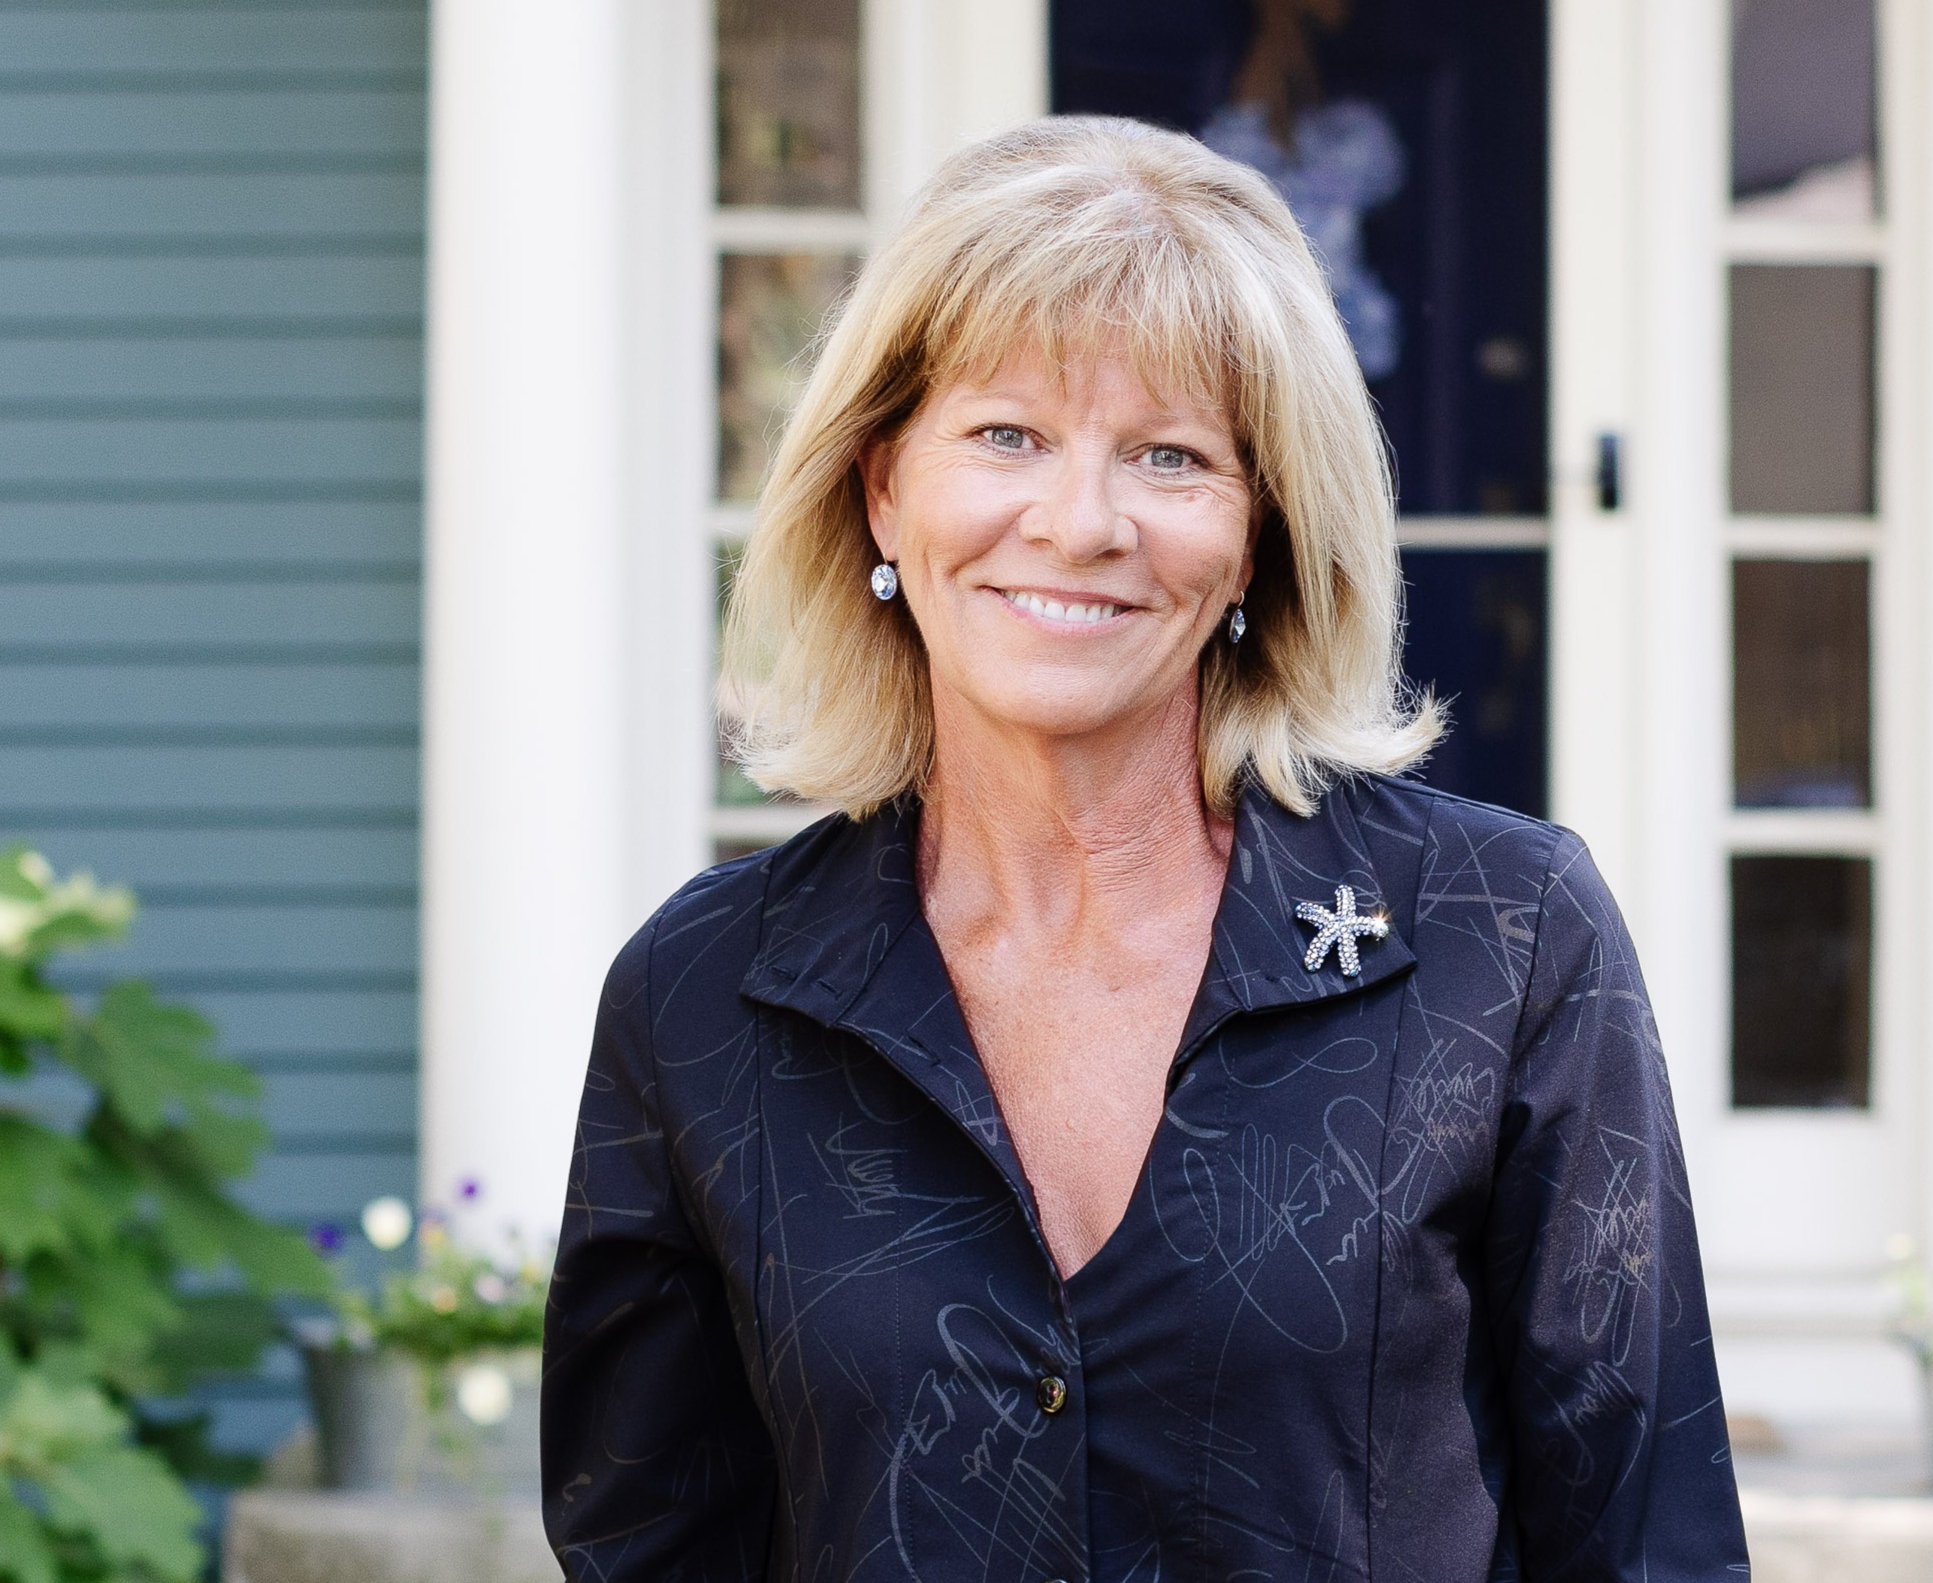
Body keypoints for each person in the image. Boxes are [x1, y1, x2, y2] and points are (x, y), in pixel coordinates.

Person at [540, 117, 1749, 1583]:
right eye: (1005, 436)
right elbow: (647, 1547)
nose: (1081, 522)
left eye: (1171, 457)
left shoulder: (1504, 940)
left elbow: (1648, 1538)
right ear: (881, 489)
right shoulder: (705, 996)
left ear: (1258, 536)